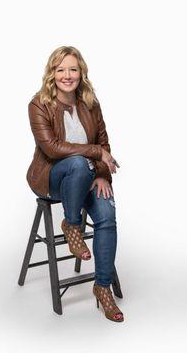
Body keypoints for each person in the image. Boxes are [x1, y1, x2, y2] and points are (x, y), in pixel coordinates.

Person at [26, 46, 124, 322]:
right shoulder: (39, 104)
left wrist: (104, 173)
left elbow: (104, 143)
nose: (67, 75)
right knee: (79, 163)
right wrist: (94, 153)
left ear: (81, 72)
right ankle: (71, 223)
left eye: (73, 69)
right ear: (51, 74)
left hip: (90, 176)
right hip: (52, 178)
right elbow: (53, 148)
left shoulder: (90, 102)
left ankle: (102, 287)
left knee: (107, 217)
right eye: (60, 70)